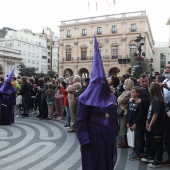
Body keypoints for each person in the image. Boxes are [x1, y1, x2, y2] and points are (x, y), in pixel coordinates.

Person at [76, 36, 118, 170]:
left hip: (108, 135)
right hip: (93, 135)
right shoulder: (84, 98)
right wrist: (84, 139)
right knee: (93, 163)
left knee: (106, 162)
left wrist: (114, 130)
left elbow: (113, 115)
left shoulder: (110, 95)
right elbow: (80, 120)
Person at [141, 82, 165, 168]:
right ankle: (152, 157)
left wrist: (150, 125)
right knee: (154, 142)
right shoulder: (153, 99)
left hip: (157, 126)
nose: (149, 89)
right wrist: (148, 122)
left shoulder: (157, 100)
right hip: (153, 124)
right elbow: (150, 113)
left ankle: (159, 160)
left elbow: (156, 114)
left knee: (158, 143)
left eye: (150, 87)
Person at [117, 78, 134, 148]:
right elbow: (118, 99)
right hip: (122, 110)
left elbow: (120, 100)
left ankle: (125, 142)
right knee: (122, 126)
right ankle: (123, 141)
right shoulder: (125, 91)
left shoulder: (129, 92)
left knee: (124, 126)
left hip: (124, 111)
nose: (124, 84)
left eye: (125, 83)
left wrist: (119, 99)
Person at [127, 86, 142, 160]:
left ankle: (137, 153)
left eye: (134, 92)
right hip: (131, 122)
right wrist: (128, 122)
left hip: (137, 124)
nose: (132, 94)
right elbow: (129, 112)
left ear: (138, 93)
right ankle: (134, 150)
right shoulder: (130, 101)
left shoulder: (139, 102)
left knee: (138, 139)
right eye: (131, 92)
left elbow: (140, 114)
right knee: (133, 138)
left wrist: (136, 123)